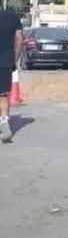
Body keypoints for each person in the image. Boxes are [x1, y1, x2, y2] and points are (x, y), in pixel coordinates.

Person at [0, 9, 23, 143]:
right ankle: (4, 122)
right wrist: (14, 60)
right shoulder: (12, 16)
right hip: (5, 62)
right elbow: (19, 40)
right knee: (2, 95)